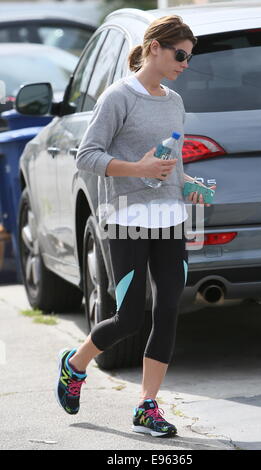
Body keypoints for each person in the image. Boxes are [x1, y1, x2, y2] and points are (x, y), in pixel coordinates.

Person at [55, 15, 212, 438]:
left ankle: (147, 406)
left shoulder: (174, 101)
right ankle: (75, 364)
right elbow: (86, 155)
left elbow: (172, 161)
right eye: (181, 54)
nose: (185, 63)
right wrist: (137, 167)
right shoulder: (118, 97)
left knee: (167, 310)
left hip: (171, 219)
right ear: (155, 48)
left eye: (189, 57)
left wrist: (189, 183)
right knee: (127, 317)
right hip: (125, 219)